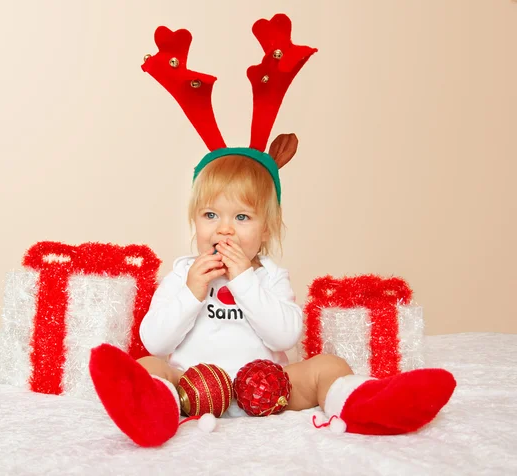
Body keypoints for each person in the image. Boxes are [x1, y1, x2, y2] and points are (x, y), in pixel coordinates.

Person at [88, 14, 456, 448]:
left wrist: (244, 280)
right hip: (195, 388)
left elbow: (284, 336)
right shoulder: (183, 273)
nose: (223, 228)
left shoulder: (269, 277)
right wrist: (190, 291)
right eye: (210, 216)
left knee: (328, 365)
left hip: (270, 389)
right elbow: (154, 338)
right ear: (194, 220)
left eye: (241, 218)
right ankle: (155, 412)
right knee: (149, 363)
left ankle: (361, 404)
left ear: (266, 230)